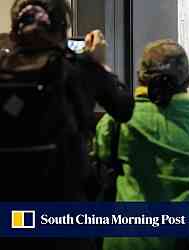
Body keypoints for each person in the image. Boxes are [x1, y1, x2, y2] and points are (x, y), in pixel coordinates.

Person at [0, 0, 134, 249]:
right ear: (62, 28)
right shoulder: (79, 69)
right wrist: (100, 65)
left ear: (15, 31)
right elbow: (124, 108)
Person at [95, 39, 189, 250]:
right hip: (186, 242)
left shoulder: (119, 118)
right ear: (188, 80)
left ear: (140, 77)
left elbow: (101, 152)